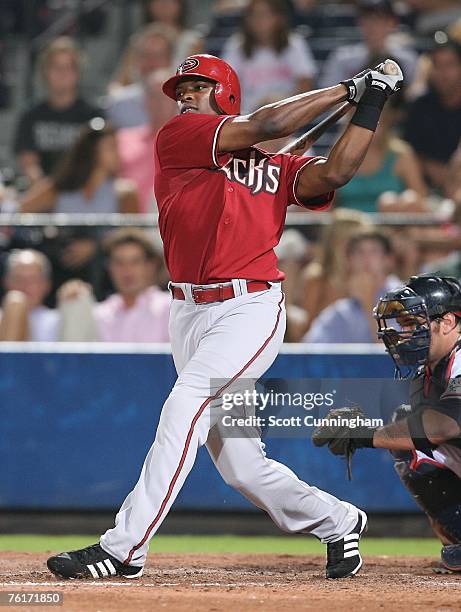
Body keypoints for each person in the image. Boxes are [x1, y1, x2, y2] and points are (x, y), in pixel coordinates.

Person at [46, 52, 404, 580]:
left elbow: (336, 171)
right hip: (188, 312)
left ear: (226, 92)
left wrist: (369, 102)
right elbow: (269, 124)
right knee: (241, 464)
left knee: (184, 409)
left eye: (198, 86)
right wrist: (344, 89)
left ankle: (123, 548)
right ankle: (338, 518)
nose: (186, 95)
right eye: (182, 87)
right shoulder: (180, 136)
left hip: (249, 309)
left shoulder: (277, 166)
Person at [312, 274, 461, 573]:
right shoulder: (429, 372)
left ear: (447, 323)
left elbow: (442, 426)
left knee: (412, 432)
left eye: (413, 323)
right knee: (406, 432)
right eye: (404, 325)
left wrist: (365, 434)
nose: (404, 333)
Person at [19, 119, 139, 296]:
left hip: (104, 275)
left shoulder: (124, 192)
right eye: (111, 147)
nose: (118, 154)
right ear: (92, 152)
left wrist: (95, 246)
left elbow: (131, 235)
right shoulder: (58, 188)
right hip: (61, 267)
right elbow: (20, 210)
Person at [13, 37, 102, 183]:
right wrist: (48, 193)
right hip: (42, 194)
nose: (62, 73)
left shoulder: (94, 116)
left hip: (84, 196)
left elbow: (100, 162)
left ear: (78, 72)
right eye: (56, 67)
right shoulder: (30, 116)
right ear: (45, 71)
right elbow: (29, 164)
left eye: (68, 67)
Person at [57, 228, 171, 343]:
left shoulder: (169, 307)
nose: (127, 270)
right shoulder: (101, 313)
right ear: (109, 268)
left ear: (151, 266)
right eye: (119, 262)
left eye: (135, 262)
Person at [304, 230, 400, 343]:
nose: (366, 259)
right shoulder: (341, 311)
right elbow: (309, 351)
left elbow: (398, 355)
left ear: (389, 260)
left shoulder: (404, 298)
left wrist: (368, 303)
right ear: (349, 261)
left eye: (374, 251)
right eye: (359, 252)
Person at [222, 0, 317, 113]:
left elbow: (305, 84)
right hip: (246, 116)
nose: (259, 21)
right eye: (253, 15)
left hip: (286, 115)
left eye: (265, 14)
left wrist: (284, 107)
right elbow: (225, 83)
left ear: (278, 17)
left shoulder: (294, 43)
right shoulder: (236, 44)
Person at [402, 36, 461, 195]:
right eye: (437, 65)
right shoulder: (420, 106)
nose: (443, 73)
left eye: (450, 65)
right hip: (426, 192)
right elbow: (408, 151)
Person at [320, 0, 418, 93]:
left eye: (379, 19)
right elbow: (328, 97)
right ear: (360, 22)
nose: (372, 25)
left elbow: (411, 99)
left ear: (392, 23)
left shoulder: (407, 59)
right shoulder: (342, 58)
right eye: (367, 19)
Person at [116, 69, 177, 212]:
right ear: (145, 101)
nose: (159, 102)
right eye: (153, 96)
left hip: (174, 222)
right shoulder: (122, 139)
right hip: (129, 223)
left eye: (165, 96)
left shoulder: (190, 143)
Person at [105, 24, 175, 129]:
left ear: (170, 60)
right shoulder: (119, 103)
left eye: (158, 56)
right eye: (146, 55)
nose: (151, 62)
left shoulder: (187, 103)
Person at [0, 249, 59, 341]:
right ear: (6, 282)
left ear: (46, 285)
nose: (25, 286)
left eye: (33, 279)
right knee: (16, 301)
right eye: (18, 279)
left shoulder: (58, 320)